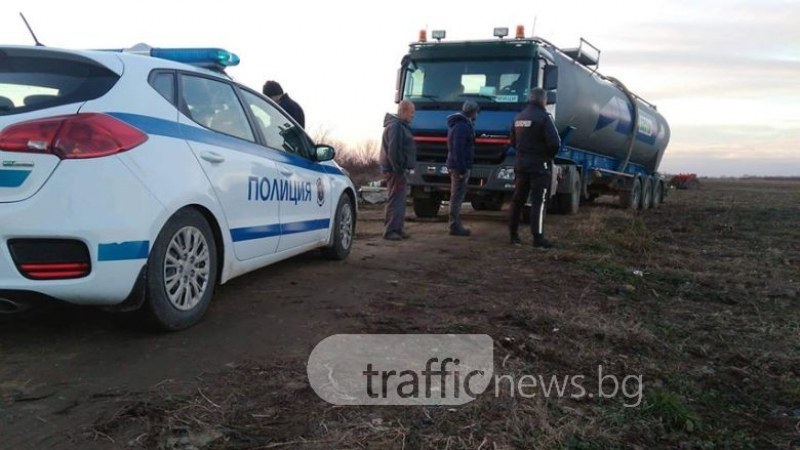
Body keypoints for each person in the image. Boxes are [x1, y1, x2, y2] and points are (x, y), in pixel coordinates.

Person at [508, 88, 561, 248]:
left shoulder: (519, 117)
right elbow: (555, 143)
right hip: (539, 165)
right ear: (543, 100)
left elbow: (513, 141)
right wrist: (547, 156)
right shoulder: (544, 118)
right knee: (539, 201)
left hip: (521, 164)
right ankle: (537, 238)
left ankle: (513, 235)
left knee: (517, 200)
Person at [379, 100, 417, 241]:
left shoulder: (400, 126)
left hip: (398, 170)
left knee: (400, 200)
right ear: (404, 110)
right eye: (412, 112)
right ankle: (390, 231)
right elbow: (393, 151)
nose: (413, 115)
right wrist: (399, 169)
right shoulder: (396, 126)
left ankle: (397, 229)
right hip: (395, 171)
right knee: (395, 200)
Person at [445, 100, 479, 236]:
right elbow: (458, 149)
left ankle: (454, 224)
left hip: (457, 165)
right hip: (459, 167)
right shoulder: (462, 127)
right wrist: (462, 169)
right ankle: (454, 225)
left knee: (457, 196)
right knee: (457, 197)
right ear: (473, 112)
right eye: (477, 111)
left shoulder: (460, 125)